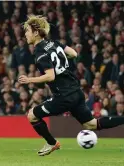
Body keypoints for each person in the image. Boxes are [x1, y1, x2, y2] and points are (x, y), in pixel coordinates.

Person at [18, 15, 124, 156]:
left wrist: (29, 80)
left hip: (63, 96)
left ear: (36, 33)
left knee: (32, 115)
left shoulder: (39, 52)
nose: (26, 34)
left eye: (28, 31)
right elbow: (73, 53)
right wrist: (60, 63)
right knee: (91, 124)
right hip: (76, 91)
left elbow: (50, 76)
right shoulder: (54, 43)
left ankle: (52, 143)